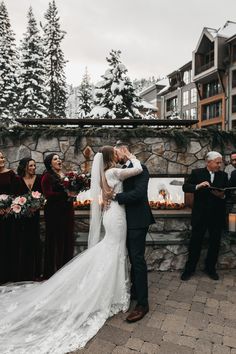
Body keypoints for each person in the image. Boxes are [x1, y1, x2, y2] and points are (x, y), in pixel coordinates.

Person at [0, 146, 143, 353]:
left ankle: (114, 289)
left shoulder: (105, 173)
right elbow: (137, 169)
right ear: (112, 157)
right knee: (114, 250)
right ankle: (112, 292)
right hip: (116, 216)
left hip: (113, 214)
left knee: (113, 250)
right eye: (117, 153)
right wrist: (131, 156)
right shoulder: (112, 172)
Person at [113, 141, 155, 323]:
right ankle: (136, 291)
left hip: (138, 220)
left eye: (116, 153)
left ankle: (143, 304)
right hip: (124, 221)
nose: (115, 157)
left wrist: (116, 197)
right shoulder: (121, 169)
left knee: (137, 259)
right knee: (130, 256)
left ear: (124, 150)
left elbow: (139, 194)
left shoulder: (141, 168)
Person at [181, 151, 228, 281]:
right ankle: (189, 270)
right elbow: (185, 187)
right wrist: (198, 186)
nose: (220, 165)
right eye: (217, 162)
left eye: (220, 162)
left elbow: (226, 193)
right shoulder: (197, 173)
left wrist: (222, 195)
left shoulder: (224, 175)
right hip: (200, 215)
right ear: (208, 162)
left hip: (216, 216)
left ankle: (210, 269)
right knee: (195, 243)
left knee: (215, 243)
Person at [41, 154, 75, 279]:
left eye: (59, 158)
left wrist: (74, 192)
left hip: (67, 211)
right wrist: (65, 194)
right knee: (57, 240)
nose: (59, 160)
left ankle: (67, 268)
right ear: (50, 163)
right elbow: (48, 194)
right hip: (54, 212)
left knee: (67, 238)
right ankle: (55, 271)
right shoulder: (47, 176)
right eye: (55, 159)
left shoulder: (65, 175)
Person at [17, 158, 42, 281]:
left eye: (34, 165)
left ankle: (36, 272)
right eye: (30, 166)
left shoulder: (40, 178)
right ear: (24, 167)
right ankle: (24, 273)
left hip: (35, 216)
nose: (33, 168)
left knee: (35, 241)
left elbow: (43, 196)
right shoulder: (18, 180)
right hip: (22, 217)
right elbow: (15, 197)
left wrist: (37, 206)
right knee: (24, 243)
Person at [0, 151, 20, 284]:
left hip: (9, 214)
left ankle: (9, 274)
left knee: (8, 242)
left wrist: (8, 207)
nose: (1, 159)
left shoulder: (11, 174)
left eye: (2, 156)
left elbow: (16, 192)